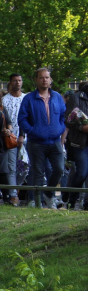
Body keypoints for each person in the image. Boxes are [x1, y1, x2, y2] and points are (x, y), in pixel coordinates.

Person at [18, 67, 67, 209]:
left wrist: (60, 128)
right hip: (36, 142)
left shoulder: (57, 96)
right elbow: (22, 119)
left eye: (47, 77)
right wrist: (32, 131)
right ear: (36, 80)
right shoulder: (29, 98)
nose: (44, 80)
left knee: (59, 169)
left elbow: (63, 115)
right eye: (41, 77)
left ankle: (49, 195)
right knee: (38, 172)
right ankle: (37, 202)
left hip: (55, 141)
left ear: (50, 80)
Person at [2, 74, 25, 206]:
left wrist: (23, 134)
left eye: (20, 80)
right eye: (15, 80)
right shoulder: (4, 100)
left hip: (26, 137)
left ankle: (20, 189)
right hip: (9, 139)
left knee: (24, 167)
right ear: (10, 82)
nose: (18, 83)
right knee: (11, 167)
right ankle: (13, 195)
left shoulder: (26, 98)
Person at [64, 82, 88, 210]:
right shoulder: (76, 97)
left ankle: (86, 204)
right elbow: (67, 120)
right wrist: (82, 127)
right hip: (80, 143)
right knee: (82, 172)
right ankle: (72, 202)